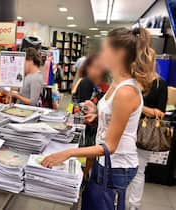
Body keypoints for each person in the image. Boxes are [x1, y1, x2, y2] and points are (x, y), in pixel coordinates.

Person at [42, 27, 156, 209]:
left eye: (106, 50)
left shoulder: (126, 91)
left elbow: (110, 146)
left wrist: (68, 153)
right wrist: (95, 113)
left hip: (117, 165)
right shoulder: (116, 83)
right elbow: (112, 119)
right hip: (104, 160)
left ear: (119, 54)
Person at [127, 76, 168, 210]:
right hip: (125, 129)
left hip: (144, 134)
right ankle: (121, 201)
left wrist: (139, 106)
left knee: (138, 170)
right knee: (122, 168)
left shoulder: (159, 84)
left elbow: (160, 113)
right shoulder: (131, 81)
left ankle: (134, 205)